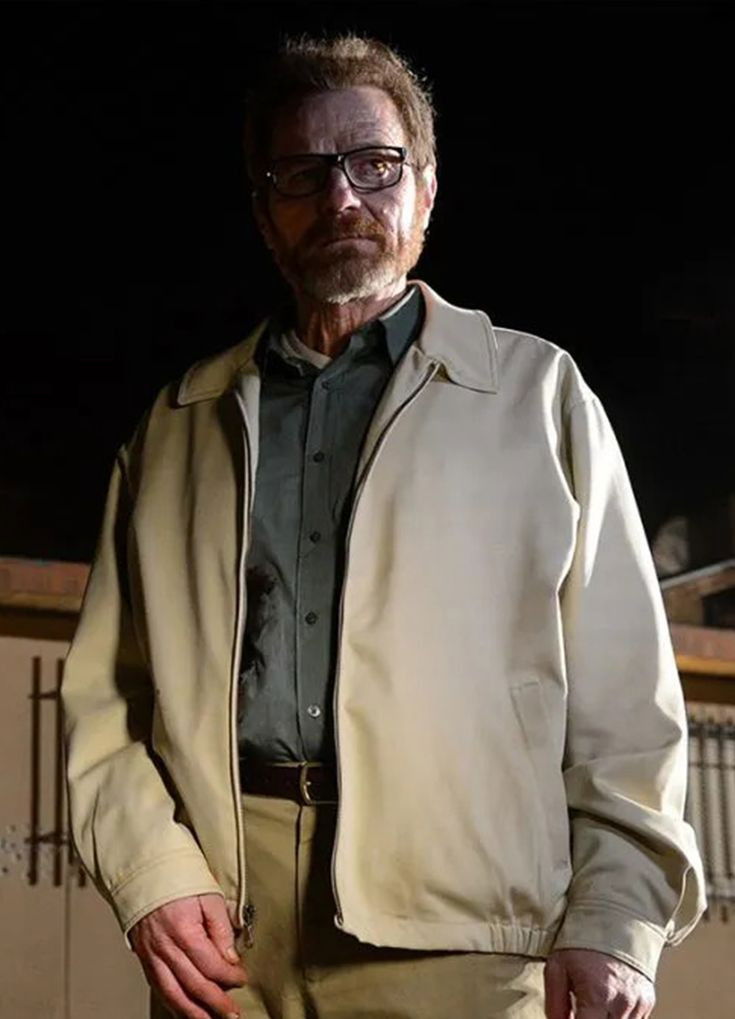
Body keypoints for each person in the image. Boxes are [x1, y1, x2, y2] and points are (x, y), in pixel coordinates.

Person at [62, 33, 706, 1019]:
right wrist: (152, 873)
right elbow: (108, 696)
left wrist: (616, 913)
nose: (342, 198)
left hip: (467, 931)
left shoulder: (537, 395)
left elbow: (627, 698)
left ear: (427, 190)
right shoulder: (180, 423)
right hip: (227, 929)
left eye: (375, 165)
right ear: (264, 211)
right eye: (303, 173)